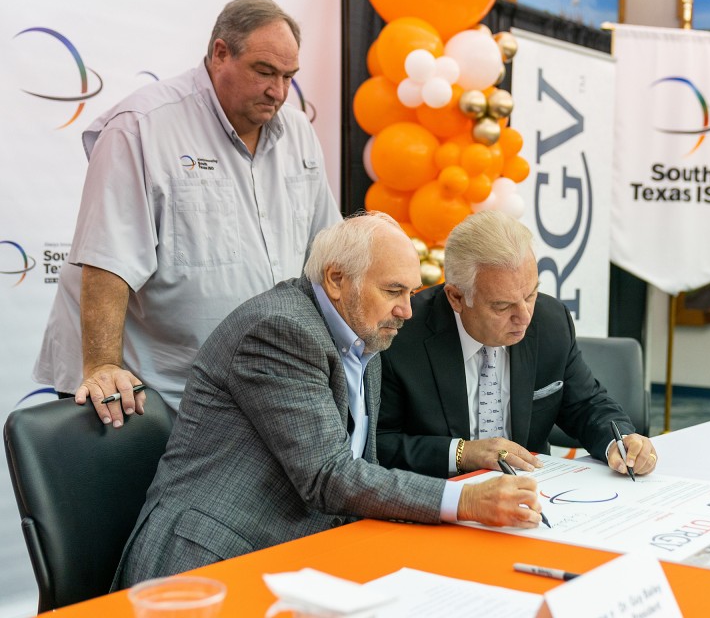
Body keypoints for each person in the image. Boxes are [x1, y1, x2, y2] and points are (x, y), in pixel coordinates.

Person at [112, 213, 543, 588]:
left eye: (411, 293)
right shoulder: (280, 330)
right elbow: (328, 475)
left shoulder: (364, 338)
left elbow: (361, 467)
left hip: (298, 556)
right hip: (210, 560)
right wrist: (466, 501)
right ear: (337, 280)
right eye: (393, 291)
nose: (407, 312)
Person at [32, 0, 341, 423]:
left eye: (289, 76)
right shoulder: (141, 125)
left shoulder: (300, 134)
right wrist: (103, 367)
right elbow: (107, 260)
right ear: (219, 53)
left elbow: (326, 251)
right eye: (264, 72)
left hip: (251, 390)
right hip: (147, 394)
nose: (279, 91)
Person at [377, 210, 658, 479]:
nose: (524, 317)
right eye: (502, 306)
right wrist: (462, 453)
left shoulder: (550, 321)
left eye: (530, 294)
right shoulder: (402, 334)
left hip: (533, 493)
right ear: (456, 298)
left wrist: (619, 442)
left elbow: (586, 404)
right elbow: (379, 442)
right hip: (438, 499)